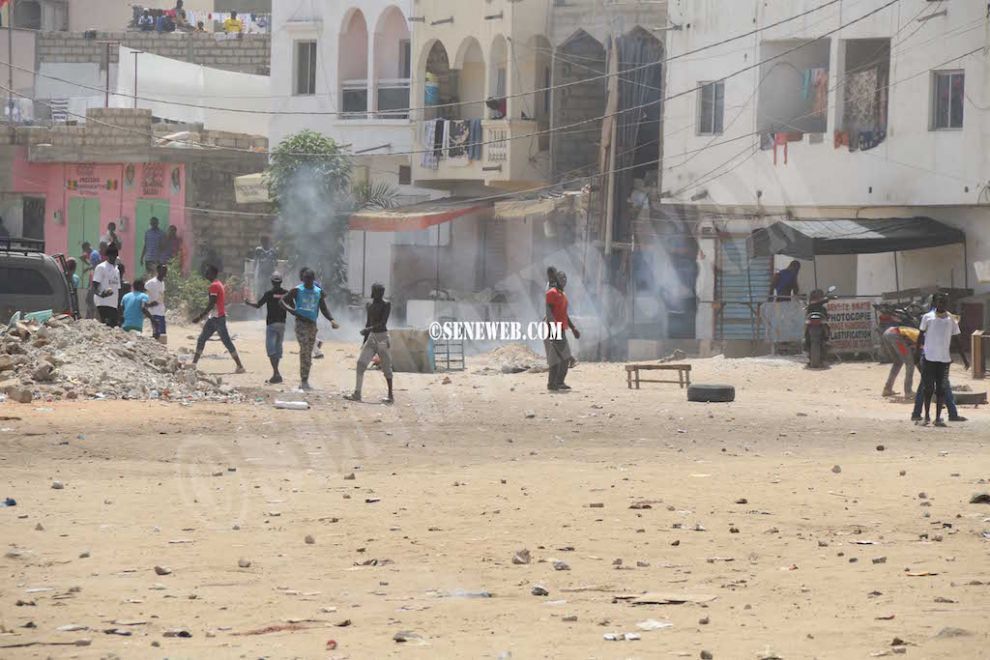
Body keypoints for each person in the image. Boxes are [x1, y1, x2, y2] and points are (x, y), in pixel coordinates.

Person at [911, 297, 969, 424]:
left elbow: (956, 339)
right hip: (928, 357)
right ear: (935, 303)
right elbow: (920, 336)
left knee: (941, 388)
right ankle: (925, 416)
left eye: (944, 302)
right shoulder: (928, 317)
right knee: (927, 388)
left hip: (943, 359)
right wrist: (917, 354)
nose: (942, 304)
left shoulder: (951, 319)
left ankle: (936, 416)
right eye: (939, 302)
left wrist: (964, 358)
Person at [281, 268, 338, 390]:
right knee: (305, 350)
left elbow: (323, 308)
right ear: (303, 279)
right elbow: (282, 301)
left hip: (312, 325)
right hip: (301, 324)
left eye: (310, 280)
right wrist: (293, 311)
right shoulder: (297, 290)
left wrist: (331, 320)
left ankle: (305, 379)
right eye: (306, 279)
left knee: (308, 352)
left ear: (313, 280)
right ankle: (304, 380)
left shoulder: (318, 292)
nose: (307, 282)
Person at [192, 265, 246, 373]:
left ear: (212, 273)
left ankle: (240, 366)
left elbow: (211, 303)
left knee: (224, 341)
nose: (206, 273)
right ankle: (193, 364)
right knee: (203, 339)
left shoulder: (214, 286)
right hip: (215, 317)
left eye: (208, 272)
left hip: (217, 318)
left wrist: (200, 316)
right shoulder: (219, 284)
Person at [345, 283, 394, 403]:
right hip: (372, 338)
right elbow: (368, 322)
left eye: (381, 291)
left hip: (382, 337)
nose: (379, 294)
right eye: (377, 291)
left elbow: (383, 323)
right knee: (361, 363)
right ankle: (357, 393)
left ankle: (390, 395)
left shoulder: (386, 304)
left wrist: (367, 330)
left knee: (386, 367)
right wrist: (364, 341)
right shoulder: (369, 305)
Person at [246, 272, 288, 384]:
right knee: (278, 349)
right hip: (282, 324)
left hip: (272, 324)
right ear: (281, 282)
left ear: (272, 282)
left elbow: (258, 305)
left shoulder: (269, 293)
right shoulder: (286, 293)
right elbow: (292, 306)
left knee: (271, 350)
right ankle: (276, 374)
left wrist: (248, 303)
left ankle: (276, 373)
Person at [545, 271, 580, 391]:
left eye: (565, 278)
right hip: (554, 328)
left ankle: (554, 383)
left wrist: (573, 328)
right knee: (565, 357)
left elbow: (564, 314)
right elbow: (548, 312)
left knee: (558, 358)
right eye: (561, 278)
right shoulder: (552, 293)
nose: (564, 280)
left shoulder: (562, 295)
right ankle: (557, 382)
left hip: (561, 328)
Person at [881, 325, 918, 398]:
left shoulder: (917, 333)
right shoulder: (922, 337)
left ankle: (887, 389)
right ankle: (908, 391)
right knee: (910, 363)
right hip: (895, 336)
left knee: (898, 362)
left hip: (887, 333)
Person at [92, 245, 122, 327]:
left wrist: (119, 306)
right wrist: (102, 294)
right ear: (107, 256)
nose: (113, 258)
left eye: (115, 256)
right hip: (103, 304)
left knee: (113, 329)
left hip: (113, 305)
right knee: (105, 327)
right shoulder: (101, 267)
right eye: (112, 255)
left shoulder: (116, 270)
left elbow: (117, 289)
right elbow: (94, 287)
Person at [145, 264, 168, 344]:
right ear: (158, 271)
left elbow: (161, 297)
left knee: (162, 335)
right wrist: (149, 305)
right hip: (154, 312)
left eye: (166, 270)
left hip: (161, 312)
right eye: (163, 270)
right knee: (157, 334)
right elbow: (145, 295)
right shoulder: (151, 283)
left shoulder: (162, 283)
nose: (165, 272)